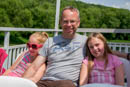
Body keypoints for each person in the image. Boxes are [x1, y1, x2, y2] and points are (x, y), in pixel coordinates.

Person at [23, 6, 128, 87]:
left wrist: (126, 55)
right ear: (60, 22)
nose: (69, 24)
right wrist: (21, 82)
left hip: (67, 83)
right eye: (65, 21)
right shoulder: (50, 41)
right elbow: (34, 66)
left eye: (72, 21)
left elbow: (103, 51)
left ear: (78, 23)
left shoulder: (85, 41)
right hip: (45, 81)